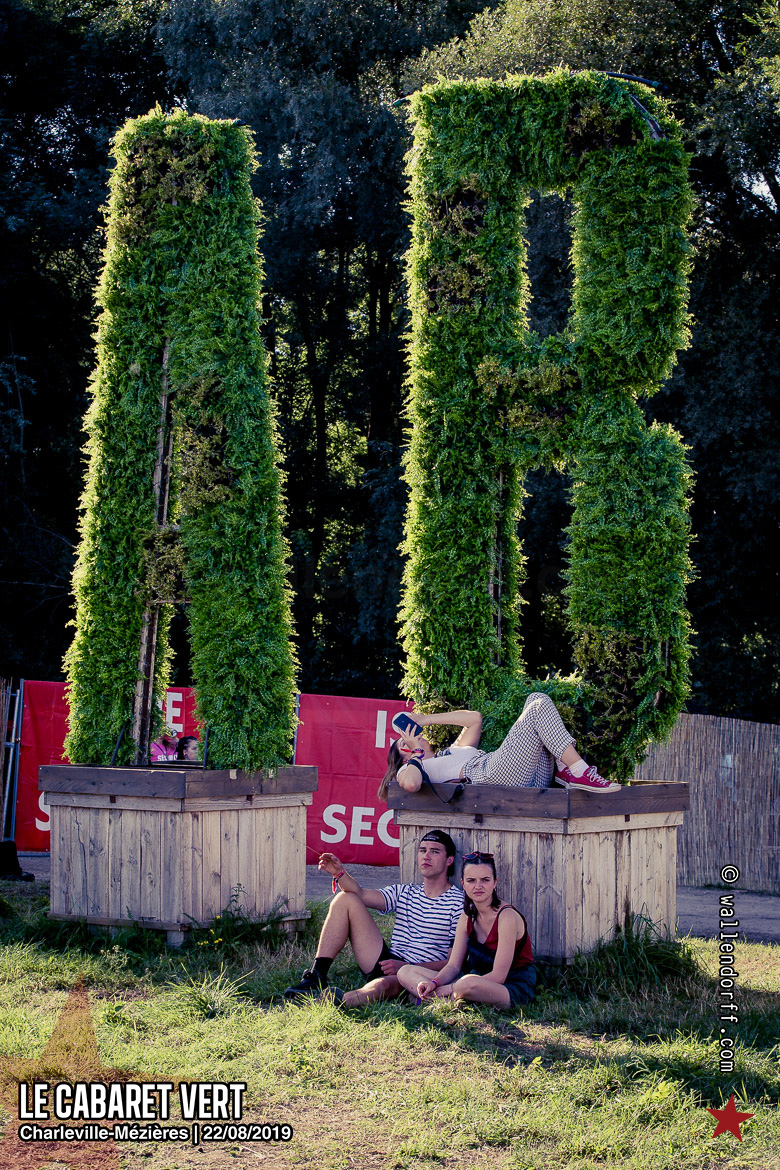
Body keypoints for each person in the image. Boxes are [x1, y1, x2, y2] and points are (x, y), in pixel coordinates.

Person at [283, 830, 463, 1007]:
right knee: (346, 898)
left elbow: (452, 963)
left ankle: (337, 1002)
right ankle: (316, 977)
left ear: (449, 860)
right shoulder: (406, 891)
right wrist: (339, 873)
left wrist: (406, 966)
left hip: (417, 973)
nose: (426, 856)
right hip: (386, 961)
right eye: (423, 850)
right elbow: (360, 894)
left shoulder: (457, 903)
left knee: (382, 985)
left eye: (435, 851)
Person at [379, 694, 619, 796]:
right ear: (405, 753)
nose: (411, 736)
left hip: (520, 775)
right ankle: (578, 771)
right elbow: (411, 784)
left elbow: (474, 719)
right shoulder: (412, 768)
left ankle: (568, 771)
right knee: (538, 707)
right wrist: (416, 753)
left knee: (535, 698)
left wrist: (426, 719)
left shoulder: (450, 751)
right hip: (489, 776)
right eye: (404, 742)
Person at [398, 850, 536, 1008]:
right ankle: (448, 1000)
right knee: (405, 971)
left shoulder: (507, 917)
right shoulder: (467, 917)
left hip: (508, 986)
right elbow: (453, 966)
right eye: (471, 880)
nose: (478, 886)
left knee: (467, 983)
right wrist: (435, 983)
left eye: (485, 880)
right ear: (463, 884)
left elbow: (499, 976)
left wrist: (446, 989)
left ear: (495, 882)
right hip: (472, 979)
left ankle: (431, 998)